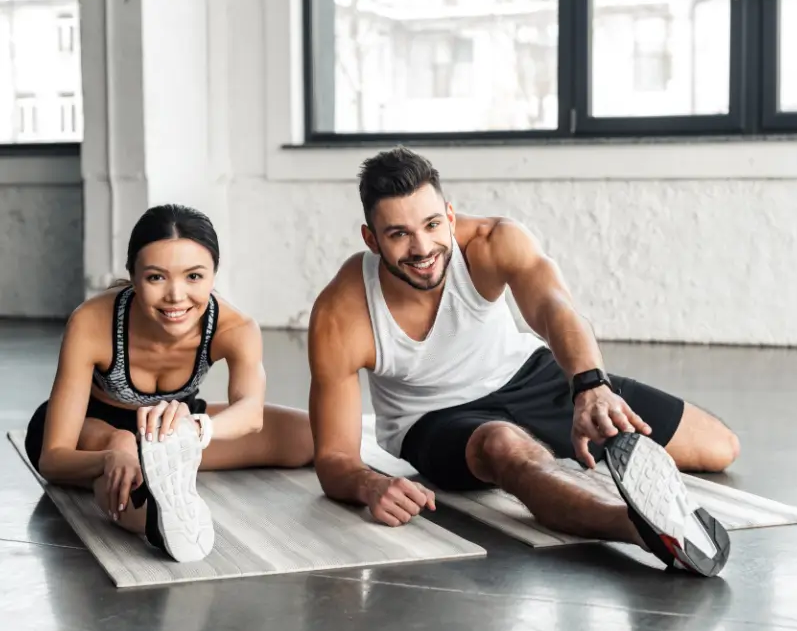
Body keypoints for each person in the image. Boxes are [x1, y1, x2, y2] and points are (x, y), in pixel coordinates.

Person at [307, 147, 741, 578]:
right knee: (505, 447)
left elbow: (555, 309)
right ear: (371, 239)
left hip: (527, 375)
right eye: (399, 234)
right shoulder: (341, 315)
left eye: (432, 224)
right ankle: (648, 531)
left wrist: (589, 385)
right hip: (433, 419)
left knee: (719, 448)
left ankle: (567, 461)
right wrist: (370, 484)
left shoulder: (492, 243)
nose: (422, 248)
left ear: (450, 216)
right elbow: (333, 457)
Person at [26, 204, 313, 562]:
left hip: (171, 430)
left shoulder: (235, 327)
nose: (176, 296)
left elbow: (251, 413)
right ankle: (161, 523)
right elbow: (53, 459)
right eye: (156, 277)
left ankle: (161, 465)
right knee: (121, 458)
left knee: (309, 435)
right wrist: (111, 457)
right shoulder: (91, 322)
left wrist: (196, 428)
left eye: (194, 276)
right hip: (89, 433)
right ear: (133, 275)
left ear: (213, 274)